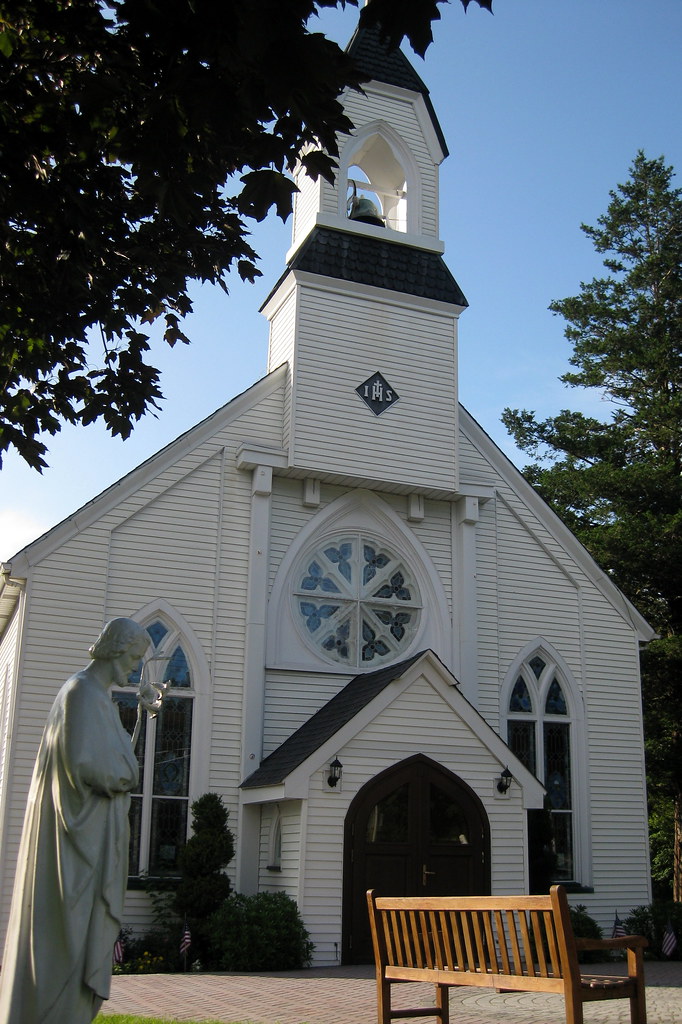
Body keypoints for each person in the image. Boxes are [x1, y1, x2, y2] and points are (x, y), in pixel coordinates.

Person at [0, 617, 150, 1024]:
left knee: (76, 939)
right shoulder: (81, 694)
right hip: (74, 850)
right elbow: (94, 768)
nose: (134, 669)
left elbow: (116, 760)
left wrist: (139, 722)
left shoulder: (98, 698)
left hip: (90, 841)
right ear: (116, 649)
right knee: (64, 940)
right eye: (134, 658)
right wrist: (127, 772)